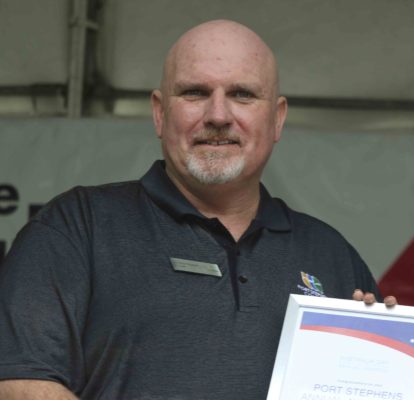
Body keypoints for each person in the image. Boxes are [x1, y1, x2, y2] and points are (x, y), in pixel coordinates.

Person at [0, 20, 380, 399]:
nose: (218, 115)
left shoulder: (331, 254)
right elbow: (20, 384)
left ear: (277, 118)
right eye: (195, 93)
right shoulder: (77, 227)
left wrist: (384, 350)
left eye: (242, 94)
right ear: (159, 113)